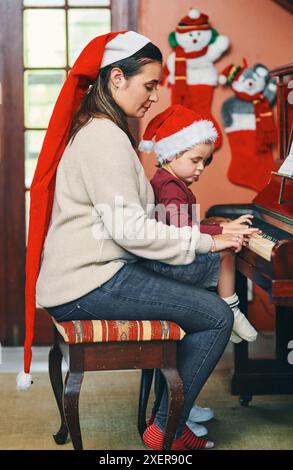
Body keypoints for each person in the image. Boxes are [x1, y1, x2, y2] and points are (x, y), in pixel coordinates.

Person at [17, 31, 247, 451]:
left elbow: (132, 225)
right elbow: (131, 231)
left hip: (95, 273)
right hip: (88, 284)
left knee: (200, 279)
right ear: (117, 78)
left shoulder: (99, 127)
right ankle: (168, 428)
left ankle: (174, 410)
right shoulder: (104, 136)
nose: (155, 96)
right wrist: (209, 243)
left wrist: (205, 238)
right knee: (215, 314)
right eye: (149, 84)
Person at [138, 104, 260, 438]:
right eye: (195, 159)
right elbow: (182, 231)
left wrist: (219, 227)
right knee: (228, 252)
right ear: (170, 154)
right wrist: (223, 233)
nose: (202, 168)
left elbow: (189, 226)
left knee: (224, 240)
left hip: (167, 262)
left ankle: (184, 405)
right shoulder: (171, 187)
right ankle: (231, 309)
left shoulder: (166, 180)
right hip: (170, 266)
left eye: (205, 161)